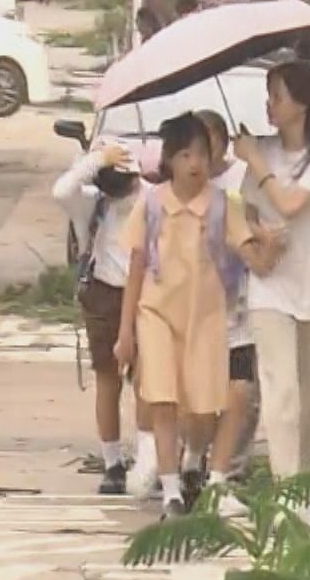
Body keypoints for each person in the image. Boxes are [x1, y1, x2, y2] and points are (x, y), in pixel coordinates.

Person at [114, 114, 265, 519]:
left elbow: (251, 254)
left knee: (201, 409)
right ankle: (171, 492)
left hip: (207, 320)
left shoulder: (221, 206)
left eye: (201, 153)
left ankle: (194, 459)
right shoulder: (151, 205)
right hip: (157, 315)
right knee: (162, 399)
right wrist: (125, 331)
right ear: (169, 160)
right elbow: (136, 265)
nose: (195, 163)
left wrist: (268, 240)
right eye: (185, 154)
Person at [234, 61, 310, 524]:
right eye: (268, 95)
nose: (269, 105)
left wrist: (258, 165)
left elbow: (291, 204)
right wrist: (261, 236)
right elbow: (246, 212)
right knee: (280, 392)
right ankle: (288, 491)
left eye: (277, 96)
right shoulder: (259, 153)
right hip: (272, 286)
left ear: (302, 103)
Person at [53, 140, 148, 496]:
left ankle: (147, 458)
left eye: (127, 183)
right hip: (104, 296)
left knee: (148, 385)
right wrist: (96, 160)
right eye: (114, 185)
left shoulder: (151, 198)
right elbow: (61, 189)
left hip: (147, 297)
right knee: (109, 380)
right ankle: (112, 463)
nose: (124, 193)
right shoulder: (92, 205)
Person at [196, 110, 264, 511]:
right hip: (197, 307)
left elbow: (255, 225)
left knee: (241, 389)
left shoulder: (241, 179)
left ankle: (227, 472)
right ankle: (193, 465)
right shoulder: (182, 186)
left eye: (209, 143)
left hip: (239, 303)